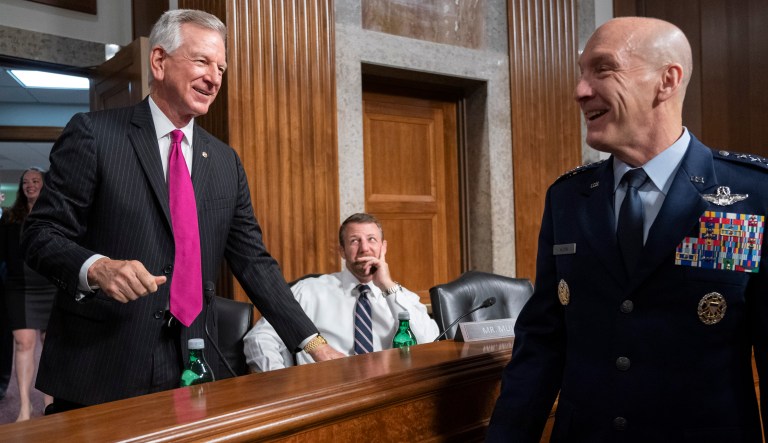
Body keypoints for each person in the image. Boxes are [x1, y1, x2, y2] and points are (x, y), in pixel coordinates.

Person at [20, 9, 344, 413]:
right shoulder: (94, 134)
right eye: (202, 61)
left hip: (194, 362)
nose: (214, 78)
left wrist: (313, 343)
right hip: (103, 365)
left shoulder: (225, 161)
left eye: (221, 68)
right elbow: (39, 235)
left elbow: (254, 262)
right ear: (159, 61)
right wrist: (97, 267)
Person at [486, 17, 768, 442]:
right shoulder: (568, 198)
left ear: (667, 81)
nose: (580, 91)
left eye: (602, 69)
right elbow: (543, 342)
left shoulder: (754, 193)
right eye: (581, 73)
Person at [244, 213, 439, 371]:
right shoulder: (309, 290)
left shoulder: (401, 296)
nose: (364, 248)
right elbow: (260, 337)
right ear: (342, 251)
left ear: (383, 247)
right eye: (355, 241)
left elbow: (429, 344)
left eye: (371, 239)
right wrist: (283, 384)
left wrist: (387, 286)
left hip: (386, 395)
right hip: (325, 396)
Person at [0, 168, 56, 420]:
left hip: (52, 287)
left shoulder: (55, 214)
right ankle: (24, 405)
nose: (29, 185)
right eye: (25, 182)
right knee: (24, 343)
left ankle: (49, 402)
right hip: (19, 288)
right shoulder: (10, 218)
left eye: (35, 181)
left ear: (44, 185)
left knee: (49, 345)